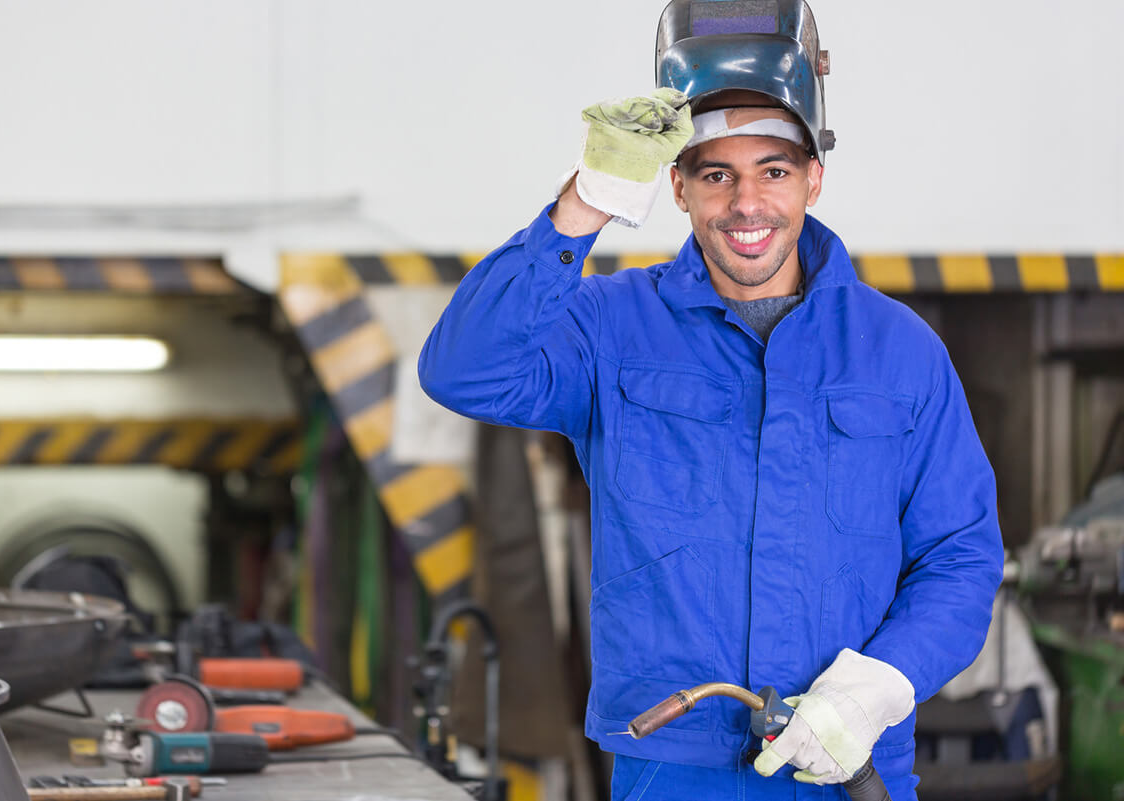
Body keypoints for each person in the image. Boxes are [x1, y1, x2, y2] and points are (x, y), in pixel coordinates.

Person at [418, 3, 1003, 798]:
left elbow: (961, 555)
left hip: (849, 757)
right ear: (679, 189)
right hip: (674, 761)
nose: (747, 203)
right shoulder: (611, 326)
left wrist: (881, 685)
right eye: (717, 174)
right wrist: (585, 202)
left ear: (814, 180)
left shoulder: (899, 352)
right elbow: (464, 369)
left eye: (774, 171)